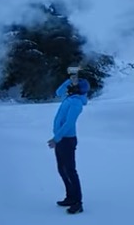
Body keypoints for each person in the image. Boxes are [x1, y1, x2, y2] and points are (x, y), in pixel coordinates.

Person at [47, 67, 90, 214]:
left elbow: (69, 123)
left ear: (77, 89)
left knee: (70, 170)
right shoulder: (69, 98)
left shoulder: (76, 103)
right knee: (62, 169)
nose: (70, 86)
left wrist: (56, 138)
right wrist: (69, 79)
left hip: (67, 140)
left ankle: (78, 202)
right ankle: (70, 197)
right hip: (61, 139)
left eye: (73, 85)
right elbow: (58, 92)